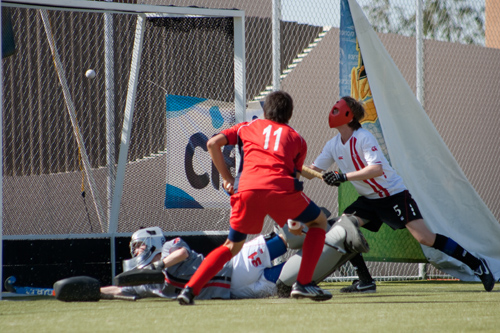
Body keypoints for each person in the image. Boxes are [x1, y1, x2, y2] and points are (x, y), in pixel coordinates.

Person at [303, 96, 495, 293]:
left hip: (393, 195)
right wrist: (288, 164)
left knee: (425, 238)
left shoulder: (363, 138)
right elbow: (312, 171)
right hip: (369, 200)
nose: (331, 113)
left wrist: (343, 177)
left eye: (336, 110)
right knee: (342, 228)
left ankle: (477, 265)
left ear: (348, 116)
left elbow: (376, 169)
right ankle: (365, 281)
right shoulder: (333, 144)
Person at [177, 90, 331, 305]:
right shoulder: (297, 138)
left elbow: (212, 144)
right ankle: (304, 284)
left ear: (265, 111)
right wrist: (293, 221)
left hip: (247, 189)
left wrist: (228, 177)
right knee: (319, 222)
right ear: (289, 114)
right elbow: (293, 180)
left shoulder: (246, 127)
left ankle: (190, 289)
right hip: (280, 188)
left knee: (231, 246)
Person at [101, 226, 289, 300]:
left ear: (152, 243)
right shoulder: (146, 284)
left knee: (286, 240)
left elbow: (182, 253)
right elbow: (118, 290)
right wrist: (95, 291)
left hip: (237, 265)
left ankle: (316, 231)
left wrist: (157, 267)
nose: (136, 252)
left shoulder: (168, 247)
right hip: (234, 291)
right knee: (290, 275)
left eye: (139, 246)